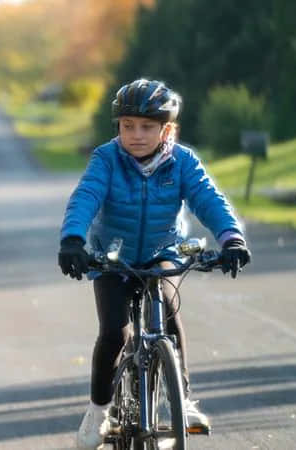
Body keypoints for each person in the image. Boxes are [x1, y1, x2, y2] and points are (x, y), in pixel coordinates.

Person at [58, 79, 252, 449]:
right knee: (115, 333)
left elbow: (208, 199)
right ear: (118, 127)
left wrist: (231, 238)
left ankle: (183, 400)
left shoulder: (182, 161)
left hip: (163, 249)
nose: (136, 135)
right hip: (111, 256)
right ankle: (99, 411)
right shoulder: (106, 158)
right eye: (128, 126)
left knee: (167, 310)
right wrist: (72, 240)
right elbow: (86, 196)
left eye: (147, 127)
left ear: (167, 129)